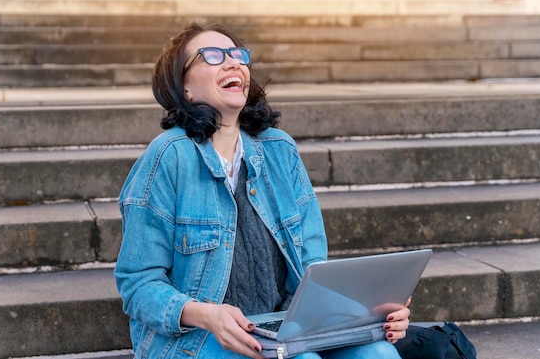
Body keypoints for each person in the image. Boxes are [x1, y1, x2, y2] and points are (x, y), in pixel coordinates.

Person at [114, 22, 411, 359]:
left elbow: (313, 267)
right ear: (185, 89)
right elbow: (138, 285)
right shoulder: (169, 157)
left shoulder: (279, 149)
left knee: (378, 354)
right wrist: (208, 315)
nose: (232, 63)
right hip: (195, 338)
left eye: (237, 55)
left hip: (285, 329)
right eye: (211, 56)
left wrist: (372, 313)